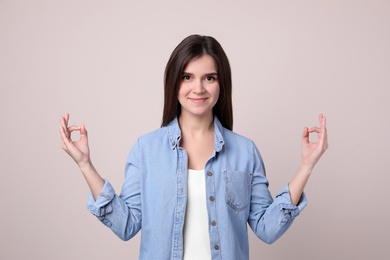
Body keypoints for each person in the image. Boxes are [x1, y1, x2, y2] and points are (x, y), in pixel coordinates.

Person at [60, 34, 328, 260]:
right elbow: (126, 225)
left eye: (209, 78)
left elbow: (266, 229)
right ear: (173, 82)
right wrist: (85, 164)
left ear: (221, 83)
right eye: (187, 77)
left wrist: (306, 167)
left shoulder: (245, 152)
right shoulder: (146, 149)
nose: (198, 88)